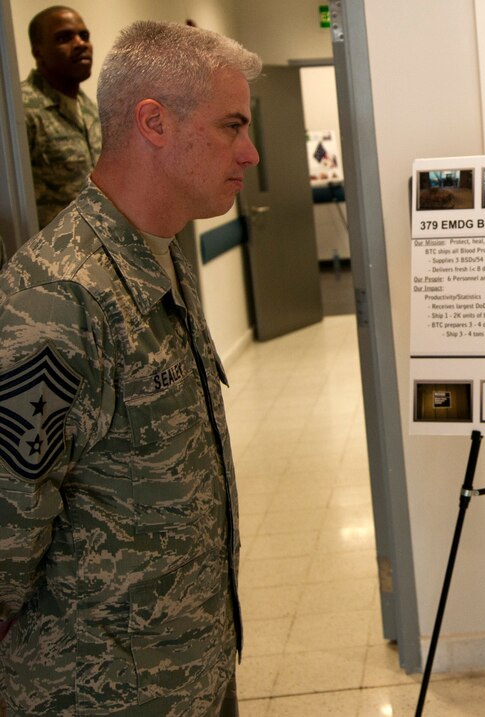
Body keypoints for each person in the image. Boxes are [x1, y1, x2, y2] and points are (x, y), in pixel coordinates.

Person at [0, 20, 260, 716]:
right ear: (154, 123)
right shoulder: (57, 296)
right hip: (101, 692)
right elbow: (5, 526)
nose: (251, 151)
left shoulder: (158, 252)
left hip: (192, 667)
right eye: (231, 126)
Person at [21, 6, 101, 229]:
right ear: (38, 52)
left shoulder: (91, 110)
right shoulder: (22, 111)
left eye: (84, 36)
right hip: (47, 257)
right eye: (64, 38)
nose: (80, 43)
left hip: (95, 250)